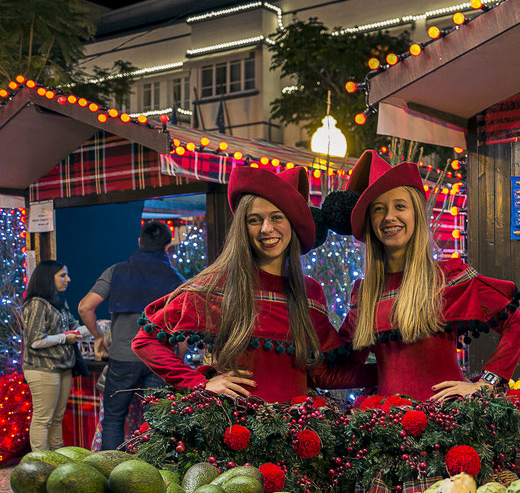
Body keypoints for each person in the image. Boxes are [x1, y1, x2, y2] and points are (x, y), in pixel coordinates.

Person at [133, 166, 373, 403]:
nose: (266, 229)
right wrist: (199, 384)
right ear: (243, 228)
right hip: (237, 430)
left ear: (292, 223)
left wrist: (385, 372)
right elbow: (145, 340)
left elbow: (323, 374)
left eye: (277, 217)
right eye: (255, 220)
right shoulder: (219, 286)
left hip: (299, 431)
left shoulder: (310, 293)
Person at [331, 150, 520, 402]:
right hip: (385, 425)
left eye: (399, 206)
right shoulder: (365, 295)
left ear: (416, 214)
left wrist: (487, 383)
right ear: (370, 221)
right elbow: (341, 370)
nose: (389, 216)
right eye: (379, 209)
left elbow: (517, 324)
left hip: (446, 421)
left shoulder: (450, 278)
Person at [78, 220, 184, 449]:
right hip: (160, 360)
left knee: (114, 419)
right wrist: (179, 357)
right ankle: (148, 476)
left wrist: (99, 336)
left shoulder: (116, 271)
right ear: (167, 247)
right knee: (155, 423)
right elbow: (183, 328)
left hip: (123, 357)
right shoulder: (177, 281)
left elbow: (85, 307)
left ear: (139, 241)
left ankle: (110, 473)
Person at [21, 260, 89, 450]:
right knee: (43, 419)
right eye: (62, 275)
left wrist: (96, 326)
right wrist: (63, 338)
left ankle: (57, 461)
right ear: (47, 279)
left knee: (57, 418)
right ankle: (40, 463)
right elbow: (35, 340)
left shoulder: (59, 302)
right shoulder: (37, 304)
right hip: (43, 368)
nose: (68, 279)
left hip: (63, 367)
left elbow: (74, 330)